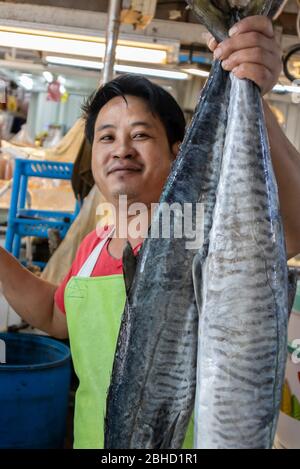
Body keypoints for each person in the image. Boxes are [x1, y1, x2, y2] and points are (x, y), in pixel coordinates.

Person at [0, 16, 300, 448]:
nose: (121, 148)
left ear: (178, 152)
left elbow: (294, 226)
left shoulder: (203, 233)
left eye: (140, 135)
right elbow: (54, 315)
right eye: (106, 137)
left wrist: (250, 85)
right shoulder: (94, 244)